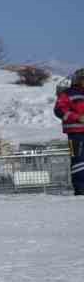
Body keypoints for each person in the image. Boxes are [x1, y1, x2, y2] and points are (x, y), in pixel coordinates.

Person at [55, 68, 84, 196]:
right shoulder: (67, 94)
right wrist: (77, 117)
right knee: (77, 160)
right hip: (74, 134)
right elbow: (59, 111)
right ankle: (80, 189)